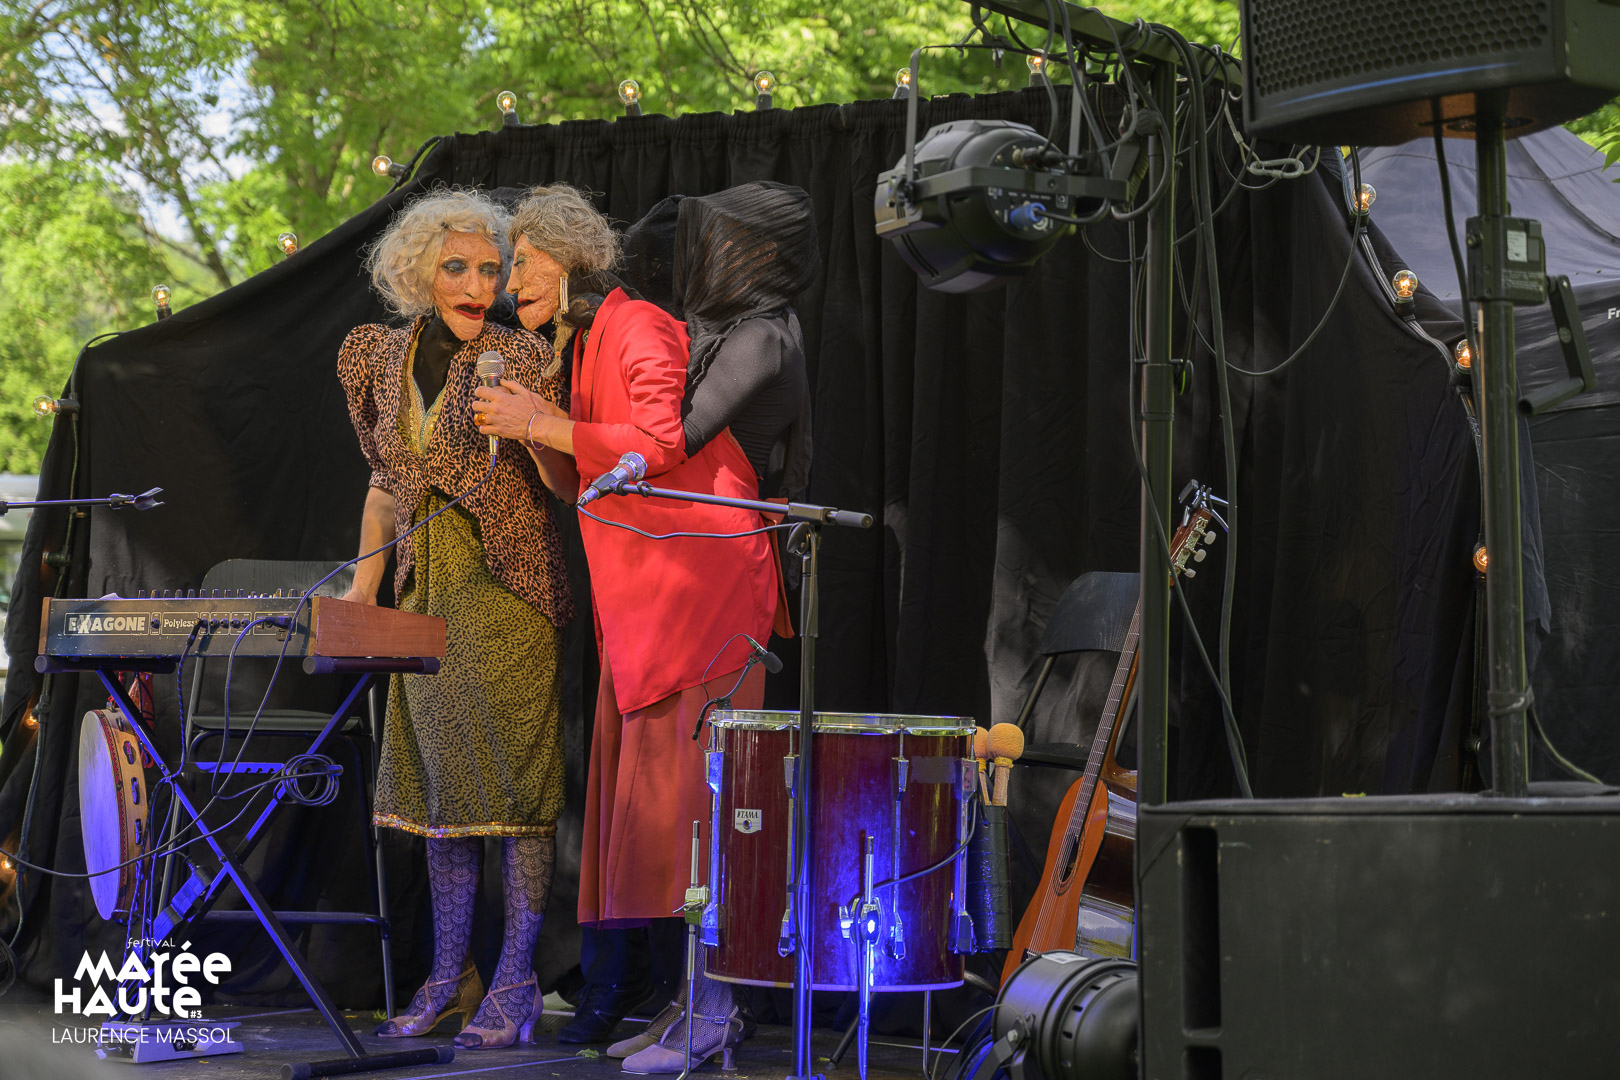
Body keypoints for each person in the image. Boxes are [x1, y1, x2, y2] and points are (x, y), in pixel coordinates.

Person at [474, 184, 780, 1073]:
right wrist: (534, 433)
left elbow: (658, 440)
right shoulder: (576, 351)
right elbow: (580, 482)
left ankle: (714, 1012)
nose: (510, 285)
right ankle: (691, 1007)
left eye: (523, 262)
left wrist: (545, 421)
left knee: (702, 810)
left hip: (700, 590)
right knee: (660, 819)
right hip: (644, 601)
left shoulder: (638, 323)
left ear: (571, 255)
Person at [336, 189, 573, 1050]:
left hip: (508, 591)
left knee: (513, 794)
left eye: (491, 269)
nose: (478, 286)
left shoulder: (523, 356)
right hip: (424, 591)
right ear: (417, 274)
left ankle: (515, 979)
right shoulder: (377, 357)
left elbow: (566, 484)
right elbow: (384, 484)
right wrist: (364, 589)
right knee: (440, 796)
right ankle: (450, 976)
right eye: (457, 268)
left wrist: (535, 426)